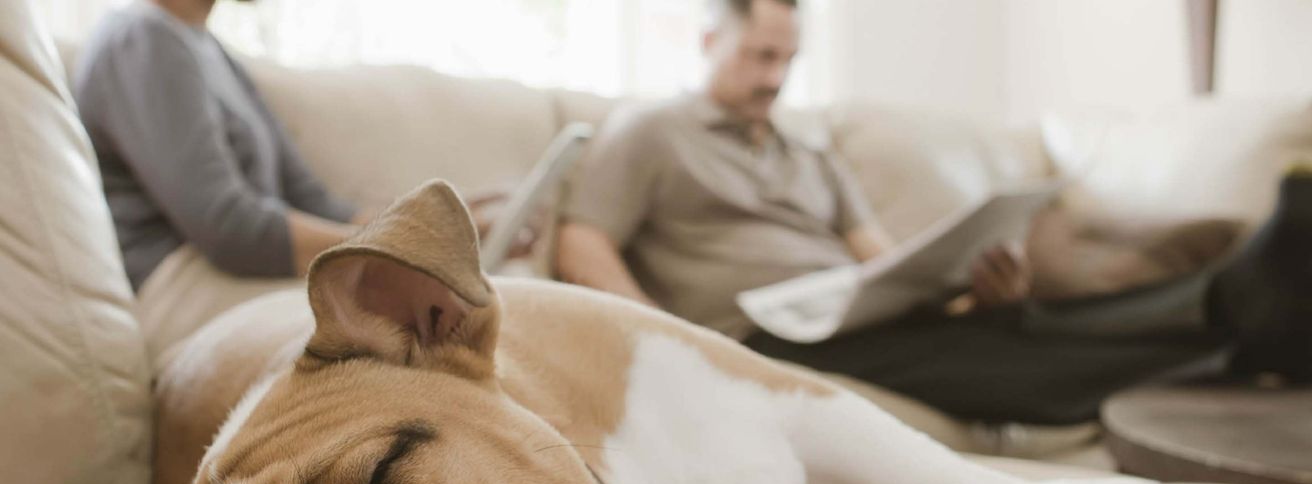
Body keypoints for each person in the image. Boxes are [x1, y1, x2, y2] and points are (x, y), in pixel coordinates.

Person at [557, 0, 1312, 425]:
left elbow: (879, 260)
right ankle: (1242, 312)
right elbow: (582, 242)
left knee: (1019, 323)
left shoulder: (810, 153)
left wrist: (962, 289)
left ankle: (1243, 315)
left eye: (787, 60)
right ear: (708, 40)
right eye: (759, 57)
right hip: (763, 334)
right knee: (1015, 359)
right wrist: (672, 340)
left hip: (854, 317)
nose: (774, 79)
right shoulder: (653, 131)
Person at [73, 0, 373, 356]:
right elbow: (226, 225)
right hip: (179, 285)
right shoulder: (140, 40)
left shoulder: (212, 52)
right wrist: (383, 255)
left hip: (238, 276)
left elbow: (312, 199)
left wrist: (420, 229)